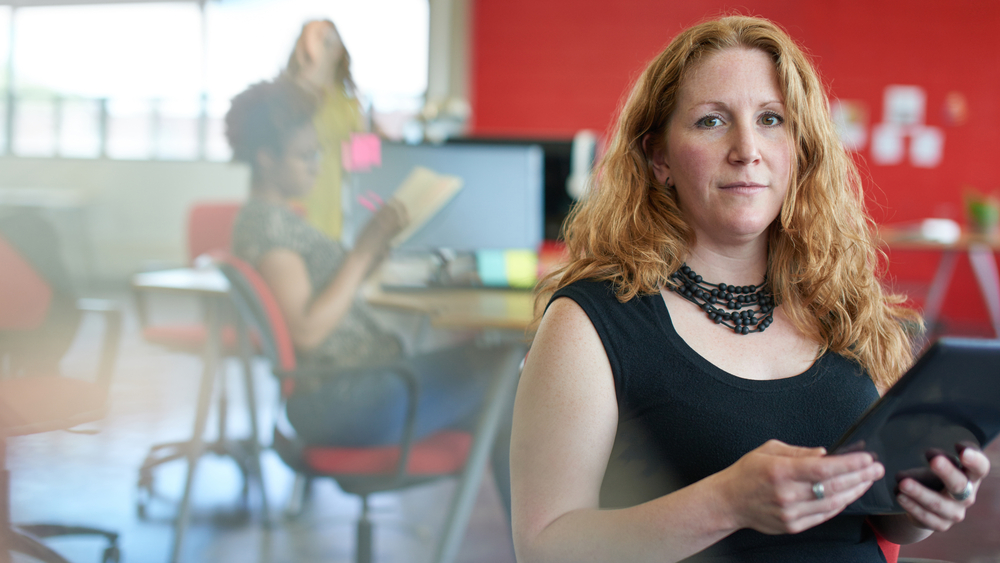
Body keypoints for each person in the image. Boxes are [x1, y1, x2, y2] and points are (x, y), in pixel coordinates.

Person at [510, 15, 990, 563]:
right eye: (712, 121)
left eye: (771, 119)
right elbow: (543, 547)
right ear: (658, 156)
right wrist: (727, 504)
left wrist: (924, 504)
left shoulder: (841, 303)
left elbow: (882, 522)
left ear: (799, 149)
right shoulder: (590, 321)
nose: (747, 149)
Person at [225, 78, 511, 511]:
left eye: (316, 152)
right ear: (266, 159)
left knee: (507, 401)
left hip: (356, 389)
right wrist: (361, 253)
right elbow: (306, 331)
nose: (316, 165)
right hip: (346, 400)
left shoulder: (275, 221)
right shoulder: (268, 228)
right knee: (508, 375)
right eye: (304, 156)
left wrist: (371, 251)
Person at [284, 19, 366, 241]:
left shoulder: (351, 104)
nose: (326, 43)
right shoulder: (293, 93)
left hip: (335, 202)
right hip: (300, 197)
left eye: (330, 38)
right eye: (319, 38)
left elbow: (363, 163)